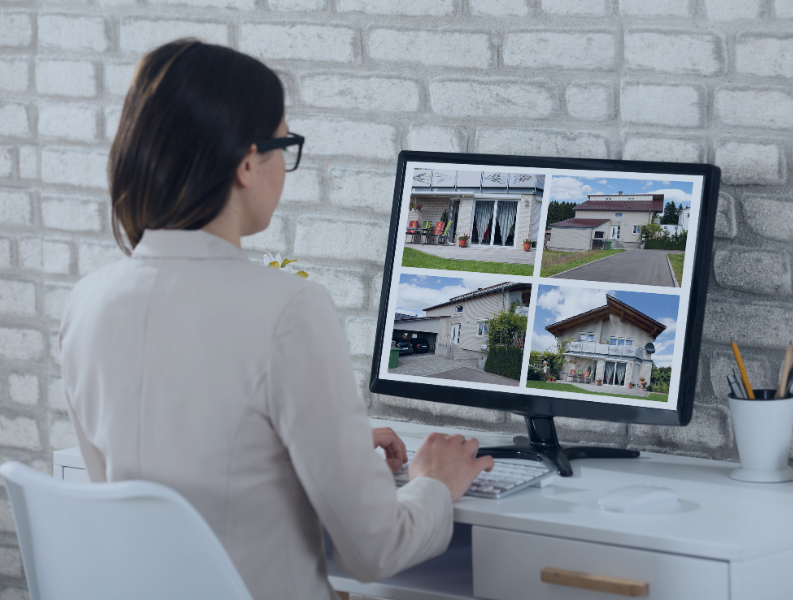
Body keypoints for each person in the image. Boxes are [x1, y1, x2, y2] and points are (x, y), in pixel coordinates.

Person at [59, 39, 493, 600]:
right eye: (284, 145)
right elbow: (375, 551)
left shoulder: (87, 301)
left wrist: (316, 444)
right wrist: (435, 484)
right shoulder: (288, 308)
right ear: (246, 161)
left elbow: (151, 498)